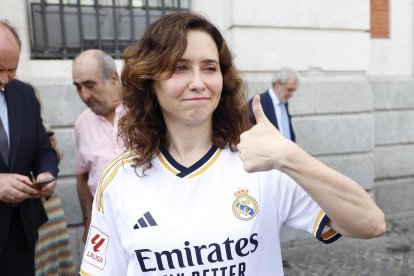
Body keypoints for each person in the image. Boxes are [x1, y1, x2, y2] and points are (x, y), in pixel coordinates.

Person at [79, 12, 386, 275]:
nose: (198, 82)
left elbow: (370, 223)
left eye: (210, 68)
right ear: (150, 80)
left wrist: (290, 156)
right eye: (180, 67)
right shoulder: (120, 178)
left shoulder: (261, 164)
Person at [0, 20, 59, 275]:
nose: (4, 79)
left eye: (11, 69)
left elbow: (42, 148)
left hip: (20, 232)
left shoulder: (24, 94)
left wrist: (46, 174)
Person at [72, 49, 124, 243]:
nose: (84, 96)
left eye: (90, 85)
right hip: (106, 230)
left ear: (113, 78)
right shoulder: (82, 124)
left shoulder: (143, 113)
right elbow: (82, 175)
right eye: (78, 87)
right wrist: (88, 222)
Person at [34, 90, 75, 275]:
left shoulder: (25, 91)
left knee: (54, 258)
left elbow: (49, 153)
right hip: (23, 203)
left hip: (47, 197)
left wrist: (51, 152)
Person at [248, 67, 298, 141]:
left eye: (294, 90)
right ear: (277, 84)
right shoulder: (257, 103)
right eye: (289, 90)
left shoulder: (284, 101)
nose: (292, 94)